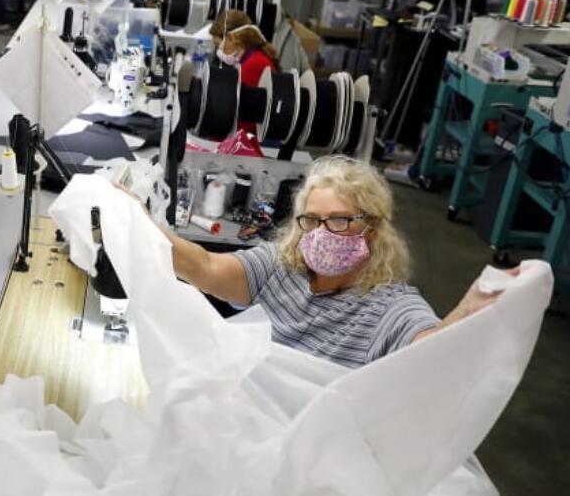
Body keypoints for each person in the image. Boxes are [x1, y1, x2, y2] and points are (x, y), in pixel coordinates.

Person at [158, 156, 511, 368]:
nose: (322, 232)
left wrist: (468, 311)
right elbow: (203, 266)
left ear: (372, 228)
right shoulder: (279, 266)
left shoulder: (390, 307)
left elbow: (432, 351)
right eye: (312, 219)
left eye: (340, 220)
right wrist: (135, 222)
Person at [210, 8, 278, 135]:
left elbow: (241, 118)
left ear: (231, 38)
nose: (218, 51)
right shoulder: (249, 59)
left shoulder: (254, 65)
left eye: (218, 45)